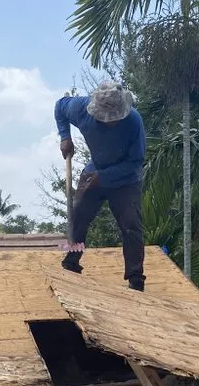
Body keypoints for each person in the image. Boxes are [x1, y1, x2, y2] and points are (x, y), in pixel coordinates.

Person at [55, 81, 146, 291]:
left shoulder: (133, 121)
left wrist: (103, 177)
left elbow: (135, 162)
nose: (109, 122)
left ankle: (135, 278)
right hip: (95, 169)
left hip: (126, 179)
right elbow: (59, 107)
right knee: (78, 213)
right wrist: (65, 137)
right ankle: (72, 261)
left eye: (114, 118)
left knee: (131, 225)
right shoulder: (80, 108)